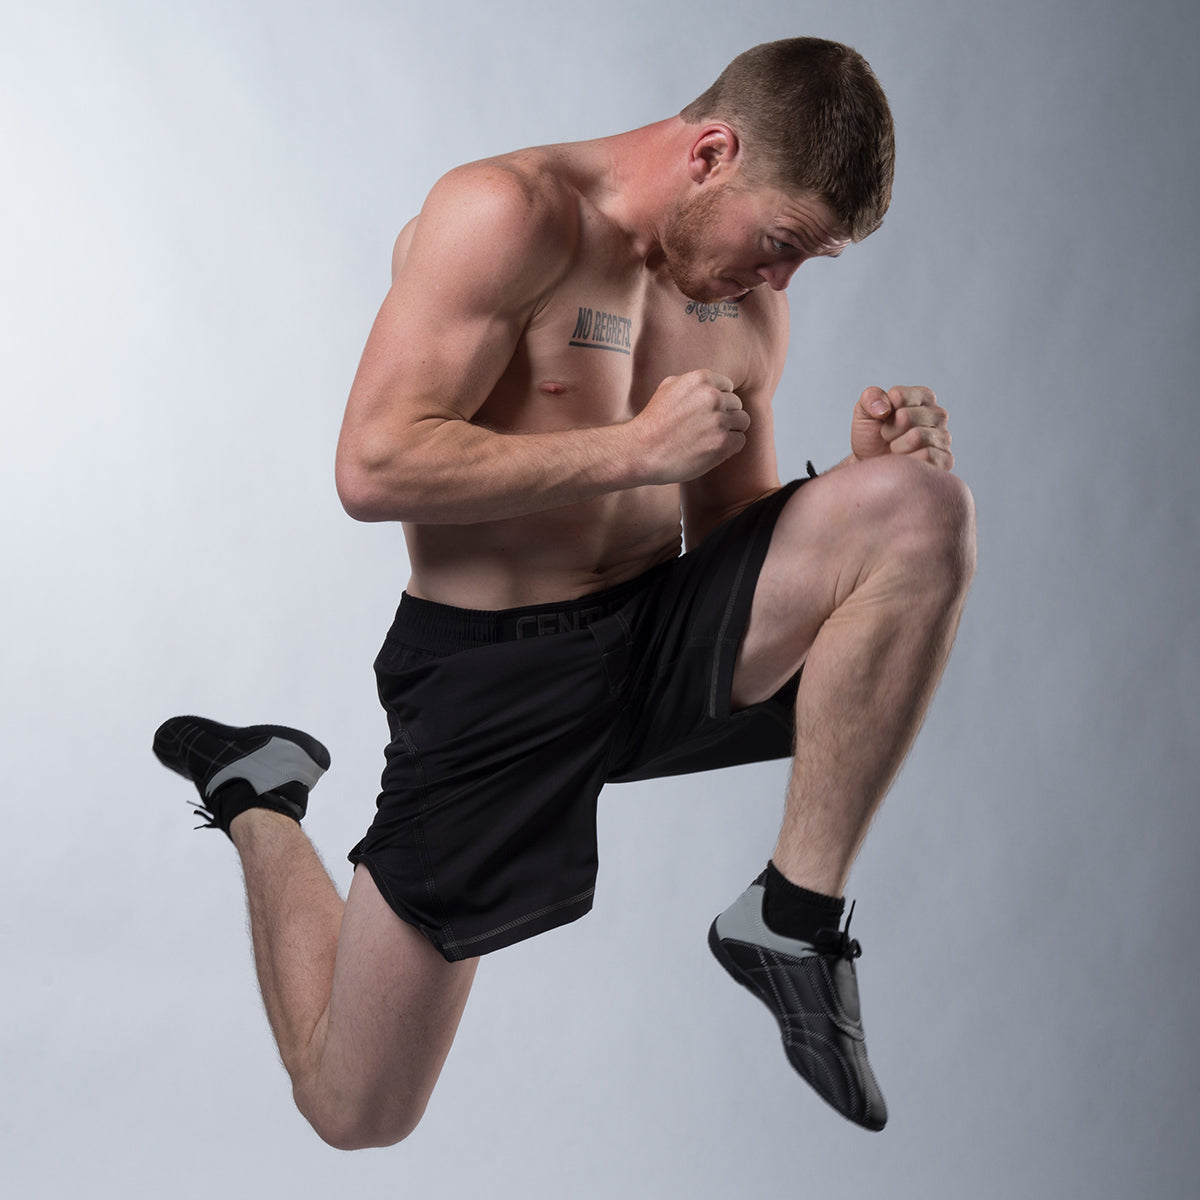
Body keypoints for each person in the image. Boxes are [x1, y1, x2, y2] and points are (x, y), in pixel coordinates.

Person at [154, 37, 975, 1148]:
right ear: (713, 153)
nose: (781, 281)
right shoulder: (508, 214)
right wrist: (632, 451)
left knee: (920, 510)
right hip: (494, 670)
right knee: (356, 1110)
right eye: (782, 244)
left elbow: (729, 533)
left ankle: (791, 916)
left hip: (652, 636)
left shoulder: (745, 308)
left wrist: (861, 490)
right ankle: (260, 791)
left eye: (806, 262)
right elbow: (373, 466)